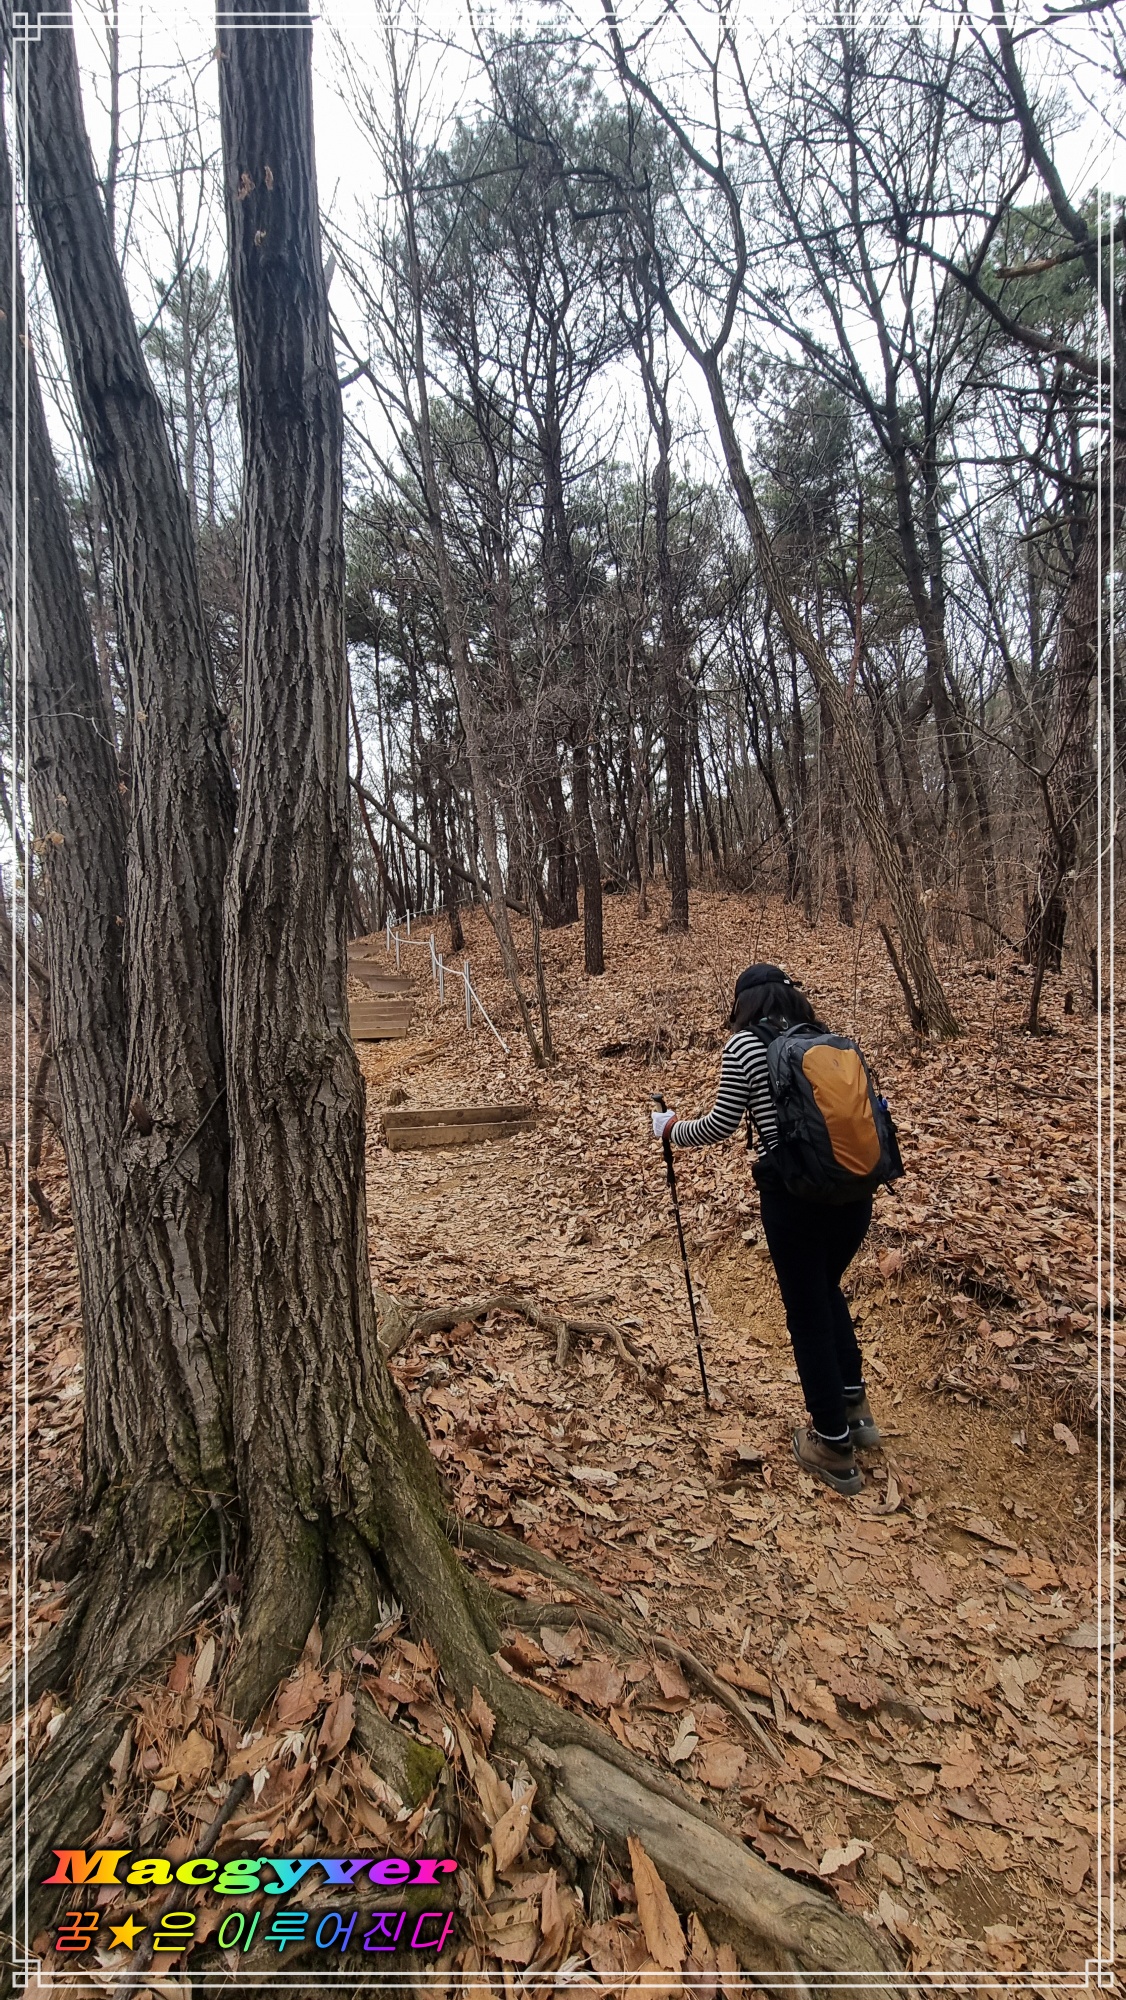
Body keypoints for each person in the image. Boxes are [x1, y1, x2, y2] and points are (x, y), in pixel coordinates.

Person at [652, 962, 881, 1496]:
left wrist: (670, 1130)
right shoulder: (826, 1039)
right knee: (827, 1291)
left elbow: (721, 1123)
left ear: (745, 1004)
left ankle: (833, 1446)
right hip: (854, 1192)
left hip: (795, 1196)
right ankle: (856, 1412)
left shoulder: (744, 1046)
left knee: (806, 1311)